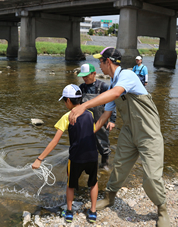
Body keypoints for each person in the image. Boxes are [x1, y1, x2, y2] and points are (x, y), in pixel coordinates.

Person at [68, 48, 170, 227]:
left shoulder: (127, 76)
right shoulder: (113, 84)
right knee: (119, 167)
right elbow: (105, 114)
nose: (99, 65)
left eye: (101, 61)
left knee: (152, 177)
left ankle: (162, 209)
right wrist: (87, 134)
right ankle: (110, 198)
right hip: (129, 131)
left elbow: (116, 94)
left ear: (108, 61)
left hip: (149, 132)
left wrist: (83, 107)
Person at [32, 84, 99, 223]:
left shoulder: (67, 116)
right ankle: (93, 212)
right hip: (93, 155)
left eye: (64, 100)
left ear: (68, 101)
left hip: (76, 158)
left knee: (71, 185)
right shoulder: (90, 113)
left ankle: (69, 212)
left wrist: (39, 159)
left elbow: (54, 142)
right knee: (93, 182)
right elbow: (91, 132)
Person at [78, 63, 117, 170]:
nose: (84, 78)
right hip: (86, 123)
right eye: (83, 76)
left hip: (101, 120)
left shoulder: (103, 87)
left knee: (102, 142)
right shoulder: (82, 88)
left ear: (94, 74)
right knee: (86, 144)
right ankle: (90, 164)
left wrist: (112, 120)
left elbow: (111, 103)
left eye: (86, 75)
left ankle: (104, 164)